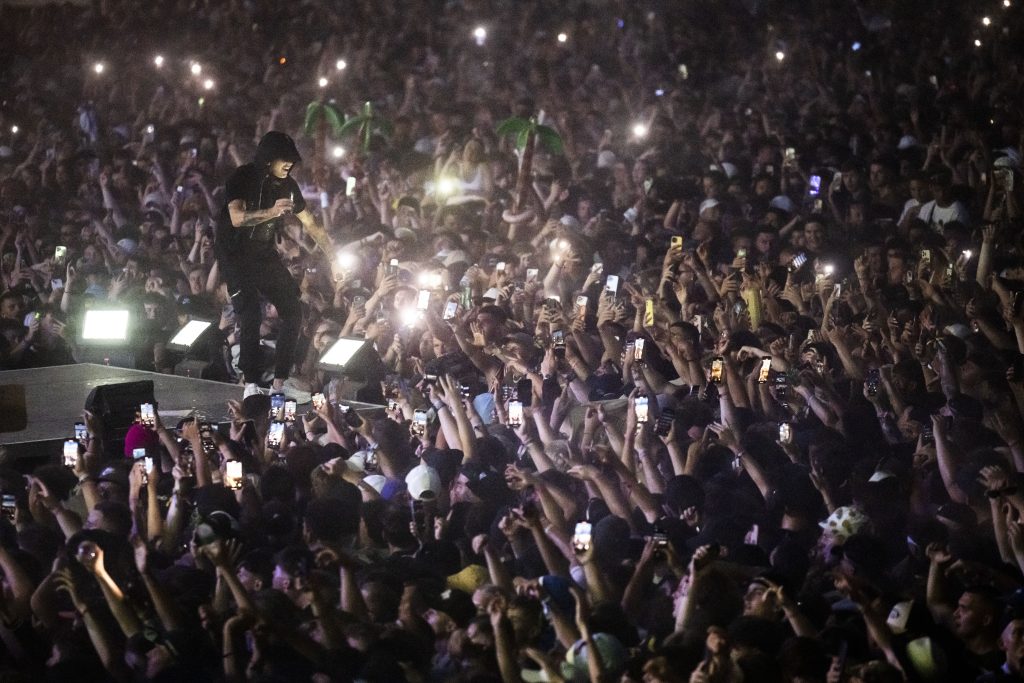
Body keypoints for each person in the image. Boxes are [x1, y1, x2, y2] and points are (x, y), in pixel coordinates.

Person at [215, 131, 331, 391]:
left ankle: (279, 381)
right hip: (235, 255)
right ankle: (251, 382)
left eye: (292, 160)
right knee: (251, 313)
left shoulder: (288, 186)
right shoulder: (242, 177)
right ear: (268, 159)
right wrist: (273, 212)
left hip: (263, 253)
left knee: (293, 310)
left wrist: (333, 259)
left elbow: (311, 225)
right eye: (284, 160)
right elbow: (236, 217)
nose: (290, 165)